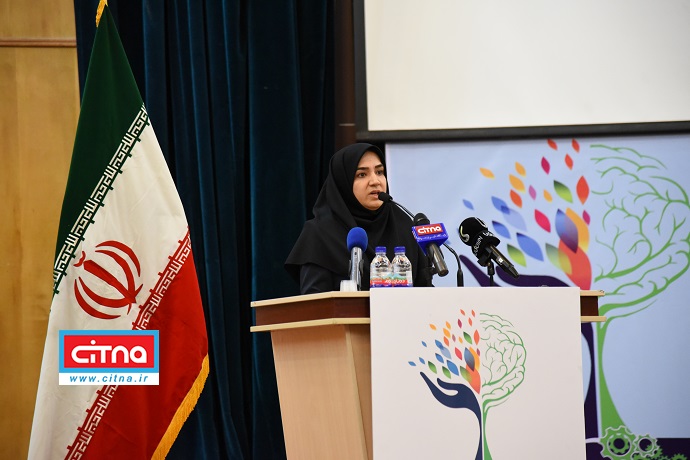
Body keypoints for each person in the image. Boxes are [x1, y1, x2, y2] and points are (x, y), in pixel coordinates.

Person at [285, 143, 433, 294]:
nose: (375, 181)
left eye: (379, 172)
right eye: (362, 174)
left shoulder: (405, 226)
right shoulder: (319, 233)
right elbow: (314, 301)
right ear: (343, 182)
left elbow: (425, 293)